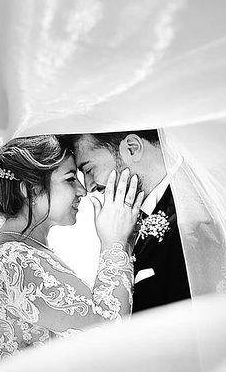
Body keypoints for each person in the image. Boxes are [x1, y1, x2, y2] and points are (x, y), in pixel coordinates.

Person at [0, 135, 143, 362]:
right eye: (70, 178)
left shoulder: (19, 250)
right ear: (31, 190)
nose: (83, 191)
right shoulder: (12, 259)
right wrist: (114, 242)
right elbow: (108, 331)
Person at [70, 130, 191, 312]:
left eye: (88, 170)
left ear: (132, 148)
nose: (88, 187)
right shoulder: (141, 221)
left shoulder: (191, 218)